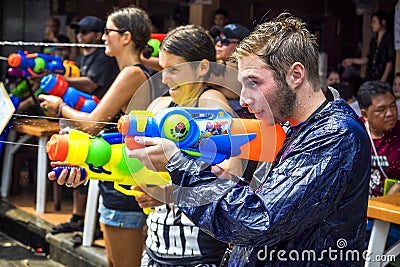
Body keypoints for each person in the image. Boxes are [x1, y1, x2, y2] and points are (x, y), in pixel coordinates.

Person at [127, 13, 371, 266]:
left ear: (296, 75)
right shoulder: (288, 124)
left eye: (254, 82)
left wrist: (179, 165)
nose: (243, 99)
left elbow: (257, 221)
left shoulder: (335, 134)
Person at [39, 6, 153, 267]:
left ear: (126, 37)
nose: (103, 37)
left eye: (108, 31)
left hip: (124, 185)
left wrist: (60, 106)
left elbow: (93, 125)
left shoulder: (132, 73)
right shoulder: (138, 71)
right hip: (121, 180)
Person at [134, 24, 242, 267]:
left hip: (202, 254)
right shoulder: (159, 106)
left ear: (202, 67)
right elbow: (130, 161)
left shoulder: (213, 106)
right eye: (163, 69)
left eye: (173, 70)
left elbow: (230, 183)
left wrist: (169, 195)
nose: (164, 78)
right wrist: (88, 167)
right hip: (155, 248)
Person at [49, 15, 120, 237]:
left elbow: (90, 84)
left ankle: (91, 223)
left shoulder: (104, 58)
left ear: (99, 35)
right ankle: (79, 218)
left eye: (86, 32)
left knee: (94, 172)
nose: (80, 36)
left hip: (99, 124)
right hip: (79, 120)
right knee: (78, 167)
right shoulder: (81, 58)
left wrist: (59, 86)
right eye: (78, 31)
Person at [357, 80, 400, 248]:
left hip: (389, 215)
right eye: (381, 110)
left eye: (393, 106)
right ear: (365, 114)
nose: (390, 113)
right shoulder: (353, 131)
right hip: (357, 213)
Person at [342, 11, 394, 83]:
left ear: (383, 22)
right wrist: (353, 60)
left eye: (374, 22)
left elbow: (389, 61)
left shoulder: (389, 40)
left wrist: (383, 80)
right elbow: (368, 59)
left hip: (382, 77)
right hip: (370, 77)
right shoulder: (373, 41)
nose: (372, 24)